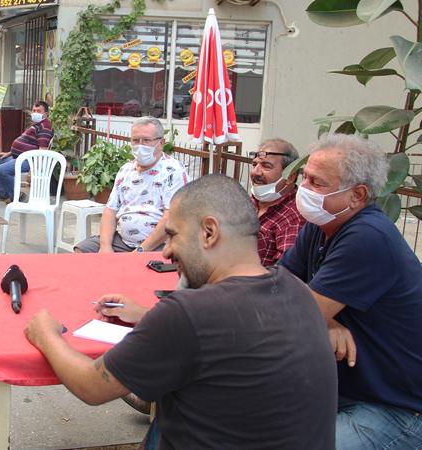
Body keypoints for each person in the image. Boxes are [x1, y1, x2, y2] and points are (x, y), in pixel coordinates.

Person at [25, 174, 337, 449]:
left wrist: (46, 335)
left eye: (173, 235)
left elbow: (91, 387)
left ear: (209, 232)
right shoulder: (298, 291)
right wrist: (146, 314)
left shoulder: (188, 313)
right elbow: (227, 336)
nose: (166, 251)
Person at [279, 134, 422, 449]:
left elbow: (290, 315)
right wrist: (326, 320)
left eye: (318, 183)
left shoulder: (367, 237)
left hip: (396, 409)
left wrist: (315, 313)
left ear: (357, 195)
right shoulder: (320, 226)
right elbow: (276, 281)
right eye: (305, 178)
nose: (304, 189)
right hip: (340, 391)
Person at [74, 117, 189, 253]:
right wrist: (105, 247)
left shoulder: (172, 170)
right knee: (81, 251)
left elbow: (171, 217)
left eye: (146, 140)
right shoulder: (126, 170)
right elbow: (110, 211)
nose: (140, 145)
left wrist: (141, 250)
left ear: (161, 143)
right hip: (123, 241)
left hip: (159, 244)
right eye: (135, 140)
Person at [248, 138, 305, 266]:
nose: (255, 172)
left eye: (266, 166)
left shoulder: (294, 216)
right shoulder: (251, 201)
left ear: (290, 176)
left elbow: (283, 273)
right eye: (254, 164)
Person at [0, 101, 54, 204]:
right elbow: (26, 143)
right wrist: (9, 153)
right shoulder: (37, 125)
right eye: (34, 110)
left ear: (46, 114)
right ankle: (4, 194)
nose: (35, 113)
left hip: (29, 160)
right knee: (1, 160)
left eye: (38, 111)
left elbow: (42, 151)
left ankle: (17, 196)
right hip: (20, 156)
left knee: (2, 170)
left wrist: (33, 170)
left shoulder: (45, 127)